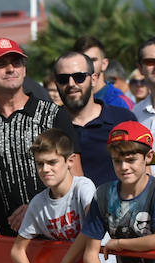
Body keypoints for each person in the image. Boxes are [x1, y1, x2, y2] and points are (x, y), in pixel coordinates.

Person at [0, 38, 83, 261]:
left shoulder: (54, 115)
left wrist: (38, 207)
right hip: (3, 241)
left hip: (57, 240)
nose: (11, 68)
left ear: (24, 69)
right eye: (1, 64)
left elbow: (76, 177)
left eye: (16, 62)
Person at [80, 121, 155, 263]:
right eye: (117, 161)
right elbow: (90, 253)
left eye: (131, 160)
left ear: (148, 157)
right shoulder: (103, 194)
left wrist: (119, 244)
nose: (124, 167)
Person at [10, 129, 96, 263]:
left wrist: (66, 262)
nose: (45, 169)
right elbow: (16, 251)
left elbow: (92, 225)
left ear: (70, 161)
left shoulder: (83, 187)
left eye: (52, 162)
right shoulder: (37, 203)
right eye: (40, 164)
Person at [55, 51, 137, 186]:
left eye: (79, 77)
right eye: (63, 79)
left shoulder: (123, 119)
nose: (71, 83)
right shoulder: (48, 125)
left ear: (94, 79)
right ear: (56, 83)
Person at [73, 36, 133, 110]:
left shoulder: (120, 104)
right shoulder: (69, 100)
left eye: (93, 60)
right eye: (82, 60)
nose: (87, 65)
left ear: (104, 64)